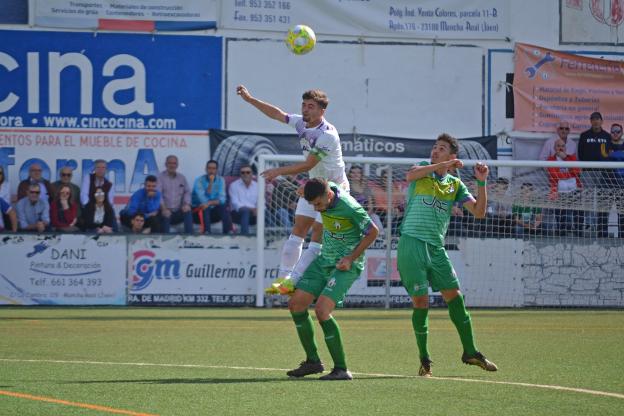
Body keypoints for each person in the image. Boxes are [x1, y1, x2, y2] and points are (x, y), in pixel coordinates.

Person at [398, 133, 498, 377]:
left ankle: (471, 351)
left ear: (453, 156)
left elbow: (479, 212)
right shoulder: (423, 170)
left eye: (441, 149)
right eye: (434, 147)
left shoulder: (455, 184)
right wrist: (443, 165)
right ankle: (424, 359)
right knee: (421, 302)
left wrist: (482, 183)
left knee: (455, 296)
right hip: (412, 243)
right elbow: (409, 175)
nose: (435, 151)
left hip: (436, 247)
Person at [237, 85, 349, 293]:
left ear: (321, 111)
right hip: (315, 186)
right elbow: (277, 114)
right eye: (304, 105)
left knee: (317, 235)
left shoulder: (328, 134)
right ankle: (283, 279)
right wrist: (251, 99)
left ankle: (295, 280)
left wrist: (278, 171)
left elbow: (308, 164)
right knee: (297, 231)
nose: (305, 110)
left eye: (311, 106)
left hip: (334, 191)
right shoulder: (301, 123)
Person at [286, 178, 378, 380]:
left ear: (329, 196)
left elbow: (373, 232)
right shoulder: (327, 191)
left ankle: (341, 369)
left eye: (318, 204)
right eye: (313, 205)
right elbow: (325, 182)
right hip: (324, 260)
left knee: (321, 310)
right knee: (296, 304)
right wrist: (304, 189)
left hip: (345, 265)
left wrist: (350, 258)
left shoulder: (349, 207)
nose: (317, 209)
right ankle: (313, 362)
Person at [577, 112, 611, 237]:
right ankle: (589, 226)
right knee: (588, 199)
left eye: (598, 119)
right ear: (590, 121)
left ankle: (602, 229)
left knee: (603, 201)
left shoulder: (607, 136)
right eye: (593, 119)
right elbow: (580, 153)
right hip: (588, 172)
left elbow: (609, 153)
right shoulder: (584, 135)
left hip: (603, 172)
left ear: (602, 121)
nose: (596, 121)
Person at [546, 139, 583, 236]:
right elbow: (554, 175)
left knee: (579, 209)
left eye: (562, 146)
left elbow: (577, 172)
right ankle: (561, 230)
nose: (560, 148)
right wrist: (569, 176)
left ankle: (579, 230)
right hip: (558, 189)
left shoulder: (572, 158)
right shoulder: (550, 160)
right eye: (558, 146)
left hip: (574, 188)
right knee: (559, 210)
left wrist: (566, 158)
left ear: (566, 148)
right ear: (554, 148)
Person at [192, 160, 232, 234]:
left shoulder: (221, 180)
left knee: (223, 206)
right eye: (209, 168)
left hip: (213, 211)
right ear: (206, 169)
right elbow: (202, 200)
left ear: (217, 170)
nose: (211, 171)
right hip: (198, 211)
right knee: (205, 207)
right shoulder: (199, 180)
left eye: (214, 168)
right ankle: (207, 232)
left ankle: (228, 233)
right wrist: (210, 183)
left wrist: (210, 202)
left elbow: (222, 199)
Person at [157, 155, 193, 234]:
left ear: (177, 165)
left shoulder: (182, 178)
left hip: (178, 211)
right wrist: (164, 208)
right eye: (170, 163)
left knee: (188, 211)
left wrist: (186, 204)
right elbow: (158, 195)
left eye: (174, 163)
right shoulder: (160, 177)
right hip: (165, 210)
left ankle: (190, 237)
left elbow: (187, 192)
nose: (172, 165)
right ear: (166, 164)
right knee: (165, 215)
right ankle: (165, 240)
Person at [228, 165, 258, 235]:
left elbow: (262, 201)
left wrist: (258, 209)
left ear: (252, 174)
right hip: (238, 213)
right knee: (245, 211)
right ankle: (245, 236)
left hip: (254, 213)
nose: (245, 174)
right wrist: (251, 209)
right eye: (243, 172)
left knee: (264, 212)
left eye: (248, 172)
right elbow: (235, 203)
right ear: (240, 174)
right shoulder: (234, 185)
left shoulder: (257, 186)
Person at [606, 123, 624, 236]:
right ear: (610, 133)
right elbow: (602, 159)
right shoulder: (605, 145)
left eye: (618, 131)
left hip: (622, 184)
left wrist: (613, 155)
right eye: (613, 131)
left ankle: (622, 238)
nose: (615, 133)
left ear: (622, 133)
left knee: (622, 213)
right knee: (603, 213)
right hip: (607, 183)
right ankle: (602, 239)